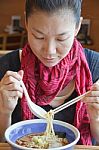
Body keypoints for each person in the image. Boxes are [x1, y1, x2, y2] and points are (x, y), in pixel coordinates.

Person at [0, 0, 99, 145]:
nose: (49, 51)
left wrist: (96, 118)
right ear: (26, 23)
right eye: (39, 37)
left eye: (61, 38)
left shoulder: (95, 67)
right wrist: (4, 111)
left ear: (77, 27)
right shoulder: (8, 69)